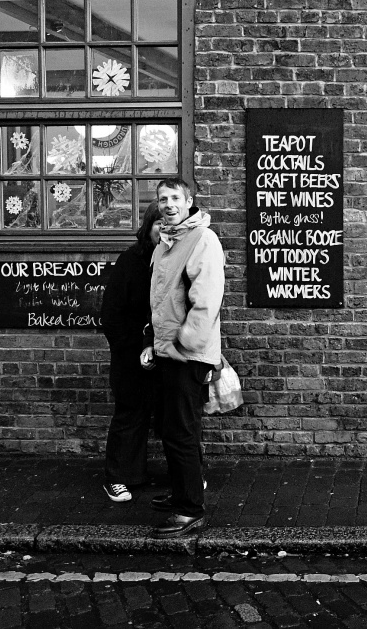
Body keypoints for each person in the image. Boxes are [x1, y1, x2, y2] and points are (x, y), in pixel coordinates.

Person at [141, 177, 225, 539]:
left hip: (186, 355)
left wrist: (182, 345)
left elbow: (206, 302)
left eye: (176, 197)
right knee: (171, 429)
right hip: (166, 352)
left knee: (182, 432)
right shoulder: (164, 243)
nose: (169, 204)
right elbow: (162, 300)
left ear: (189, 201)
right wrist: (156, 343)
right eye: (163, 199)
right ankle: (180, 493)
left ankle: (190, 509)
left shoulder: (202, 240)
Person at [101, 202, 163, 503]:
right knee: (130, 415)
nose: (163, 230)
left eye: (169, 225)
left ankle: (185, 475)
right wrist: (131, 348)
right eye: (158, 224)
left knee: (174, 415)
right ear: (148, 227)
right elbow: (111, 313)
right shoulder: (130, 261)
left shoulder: (181, 258)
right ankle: (119, 477)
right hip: (132, 353)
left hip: (169, 351)